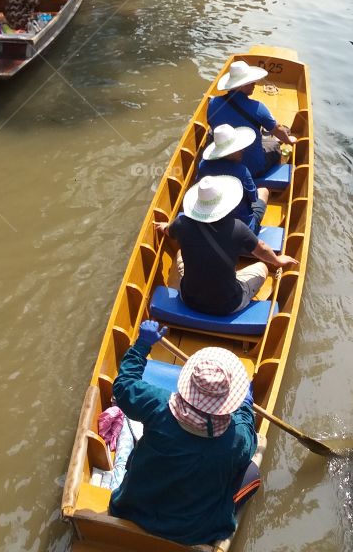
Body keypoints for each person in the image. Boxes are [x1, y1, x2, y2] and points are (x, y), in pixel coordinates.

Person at [108, 320, 257, 546]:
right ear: (228, 400)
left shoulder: (157, 404)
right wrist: (246, 405)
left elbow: (123, 386)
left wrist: (142, 346)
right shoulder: (235, 438)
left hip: (130, 510)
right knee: (252, 472)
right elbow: (247, 434)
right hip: (193, 534)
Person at [155, 175, 296, 315]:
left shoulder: (181, 223)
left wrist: (163, 227)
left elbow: (169, 230)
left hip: (188, 299)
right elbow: (262, 249)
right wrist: (277, 261)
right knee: (263, 267)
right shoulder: (238, 228)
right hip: (228, 305)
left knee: (179, 253)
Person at [206, 60, 297, 179]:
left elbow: (212, 125)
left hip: (222, 163)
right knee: (275, 146)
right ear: (239, 86)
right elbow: (278, 129)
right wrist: (289, 140)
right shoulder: (258, 108)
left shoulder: (213, 103)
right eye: (250, 82)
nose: (255, 83)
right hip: (251, 169)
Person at [198, 123, 268, 233]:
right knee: (264, 191)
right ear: (229, 153)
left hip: (210, 225)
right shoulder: (242, 171)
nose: (242, 150)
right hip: (243, 228)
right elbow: (253, 198)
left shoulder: (203, 165)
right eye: (238, 149)